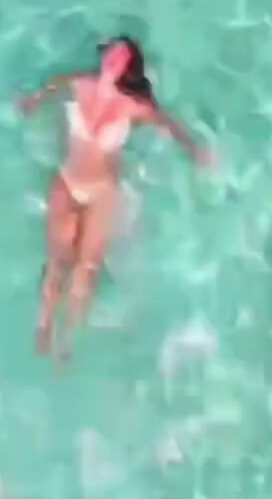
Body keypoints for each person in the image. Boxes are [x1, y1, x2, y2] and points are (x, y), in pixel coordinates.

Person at [17, 35, 216, 356]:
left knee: (86, 268)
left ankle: (67, 339)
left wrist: (196, 151)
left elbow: (168, 125)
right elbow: (55, 84)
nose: (112, 55)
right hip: (67, 182)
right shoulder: (81, 83)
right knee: (58, 260)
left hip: (101, 193)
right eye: (111, 50)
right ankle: (44, 325)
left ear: (128, 69)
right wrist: (33, 100)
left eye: (120, 54)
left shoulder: (134, 106)